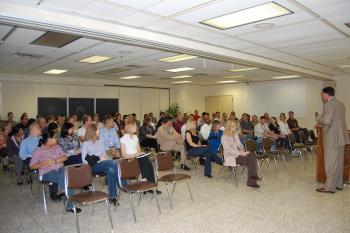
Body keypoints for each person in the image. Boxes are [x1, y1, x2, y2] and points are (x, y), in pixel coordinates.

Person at [316, 87, 349, 193]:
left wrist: (318, 118)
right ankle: (338, 184)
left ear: (326, 94)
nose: (321, 96)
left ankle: (329, 187)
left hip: (332, 138)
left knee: (330, 163)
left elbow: (326, 120)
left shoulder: (328, 105)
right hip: (341, 138)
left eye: (322, 94)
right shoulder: (340, 104)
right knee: (339, 162)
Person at [81, 124, 122, 205]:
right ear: (93, 132)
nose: (99, 131)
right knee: (114, 162)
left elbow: (104, 154)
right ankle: (121, 184)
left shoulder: (100, 142)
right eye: (98, 130)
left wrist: (105, 157)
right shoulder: (86, 143)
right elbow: (84, 159)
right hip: (92, 167)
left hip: (103, 163)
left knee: (111, 170)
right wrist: (98, 159)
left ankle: (112, 196)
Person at [120, 123, 161, 194]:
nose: (137, 128)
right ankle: (147, 185)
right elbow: (124, 155)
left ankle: (148, 186)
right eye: (135, 126)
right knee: (146, 163)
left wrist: (141, 153)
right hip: (129, 160)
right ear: (130, 127)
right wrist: (136, 154)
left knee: (148, 162)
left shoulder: (135, 137)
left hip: (137, 158)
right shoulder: (123, 139)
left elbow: (139, 150)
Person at [221, 120, 260, 188]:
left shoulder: (235, 134)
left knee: (251, 155)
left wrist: (242, 149)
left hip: (238, 154)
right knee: (250, 160)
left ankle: (252, 178)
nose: (235, 128)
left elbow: (239, 144)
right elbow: (228, 150)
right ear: (228, 127)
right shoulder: (224, 137)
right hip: (230, 157)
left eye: (235, 126)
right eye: (233, 126)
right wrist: (240, 153)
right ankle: (252, 179)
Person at [29, 133, 68, 201]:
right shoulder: (39, 150)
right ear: (48, 140)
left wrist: (55, 161)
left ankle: (62, 192)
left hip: (60, 168)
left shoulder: (57, 147)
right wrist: (43, 163)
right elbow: (31, 166)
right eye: (55, 138)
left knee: (65, 175)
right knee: (65, 180)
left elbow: (65, 157)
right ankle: (68, 199)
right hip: (46, 172)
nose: (57, 139)